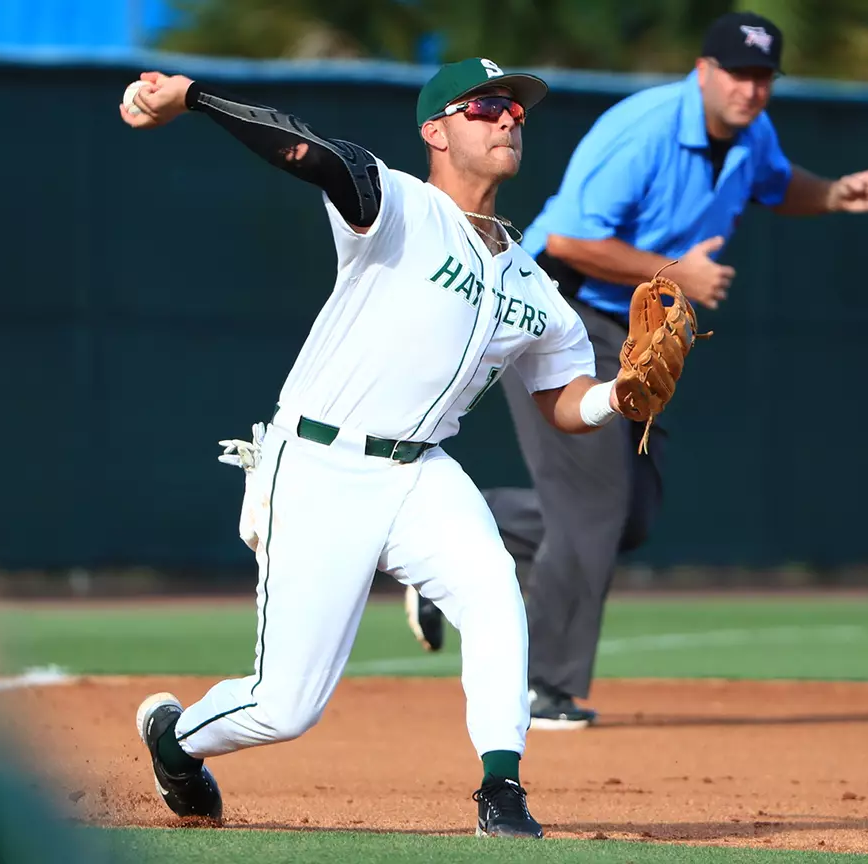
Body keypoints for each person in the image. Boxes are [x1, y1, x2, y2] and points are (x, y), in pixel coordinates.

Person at [117, 56, 693, 838]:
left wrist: (618, 399)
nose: (508, 118)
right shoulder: (395, 206)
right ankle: (175, 742)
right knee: (286, 706)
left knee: (496, 598)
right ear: (436, 130)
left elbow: (560, 402)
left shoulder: (531, 283)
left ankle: (502, 790)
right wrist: (196, 98)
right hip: (320, 461)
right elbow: (307, 150)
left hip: (423, 470)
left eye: (515, 109)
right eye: (486, 105)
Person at [405, 12, 868, 730]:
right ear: (704, 71)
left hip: (636, 329)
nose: (750, 89)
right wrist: (677, 272)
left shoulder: (752, 135)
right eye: (737, 73)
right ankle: (540, 687)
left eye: (762, 77)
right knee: (595, 509)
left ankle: (431, 538)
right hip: (561, 313)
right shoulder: (646, 132)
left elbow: (778, 183)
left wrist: (833, 194)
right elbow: (567, 239)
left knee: (626, 515)